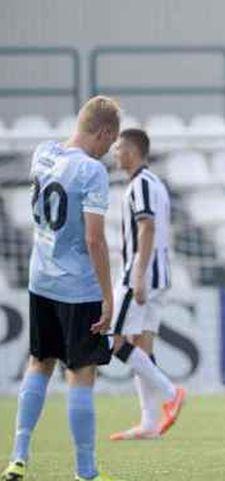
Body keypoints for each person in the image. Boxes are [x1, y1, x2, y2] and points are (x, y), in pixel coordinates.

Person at [2, 96, 124, 481]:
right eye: (110, 141)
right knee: (81, 373)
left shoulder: (44, 153)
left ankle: (18, 455)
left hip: (42, 279)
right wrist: (107, 296)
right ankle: (86, 470)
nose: (109, 150)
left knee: (39, 363)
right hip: (78, 287)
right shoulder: (92, 172)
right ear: (103, 133)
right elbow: (94, 240)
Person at [107, 128, 186, 441]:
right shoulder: (155, 183)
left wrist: (137, 274)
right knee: (142, 346)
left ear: (132, 150)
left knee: (111, 339)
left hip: (139, 275)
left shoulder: (140, 184)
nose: (114, 153)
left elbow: (147, 227)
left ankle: (171, 392)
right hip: (160, 275)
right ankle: (149, 423)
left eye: (118, 148)